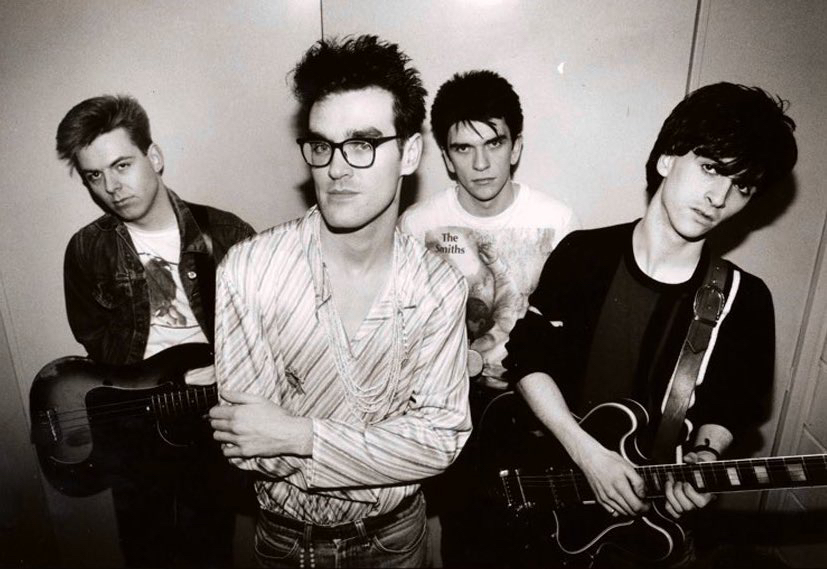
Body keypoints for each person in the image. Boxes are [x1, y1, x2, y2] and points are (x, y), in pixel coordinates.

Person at [503, 82, 798, 567]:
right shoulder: (583, 254)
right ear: (666, 158)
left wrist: (704, 461)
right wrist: (587, 454)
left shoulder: (746, 300)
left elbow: (730, 408)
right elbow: (527, 357)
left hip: (645, 534)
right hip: (546, 501)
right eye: (711, 168)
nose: (720, 197)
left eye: (742, 186)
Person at [207, 35, 471, 568]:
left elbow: (440, 442)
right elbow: (252, 451)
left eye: (362, 144)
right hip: (287, 543)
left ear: (410, 153)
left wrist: (300, 434)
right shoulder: (250, 270)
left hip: (395, 541)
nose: (336, 168)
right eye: (322, 145)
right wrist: (390, 450)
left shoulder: (439, 287)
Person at [57, 94, 256, 567]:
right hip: (136, 431)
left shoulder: (227, 233)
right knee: (146, 554)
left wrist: (225, 369)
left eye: (121, 165)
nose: (111, 187)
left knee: (210, 551)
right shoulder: (85, 250)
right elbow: (94, 340)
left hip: (213, 419)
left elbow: (269, 334)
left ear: (155, 156)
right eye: (94, 176)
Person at [399, 69, 578, 566]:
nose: (480, 164)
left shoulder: (558, 221)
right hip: (453, 418)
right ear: (445, 157)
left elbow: (570, 333)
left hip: (535, 418)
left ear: (515, 147)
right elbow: (403, 333)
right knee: (465, 544)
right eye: (463, 148)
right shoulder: (417, 225)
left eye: (494, 143)